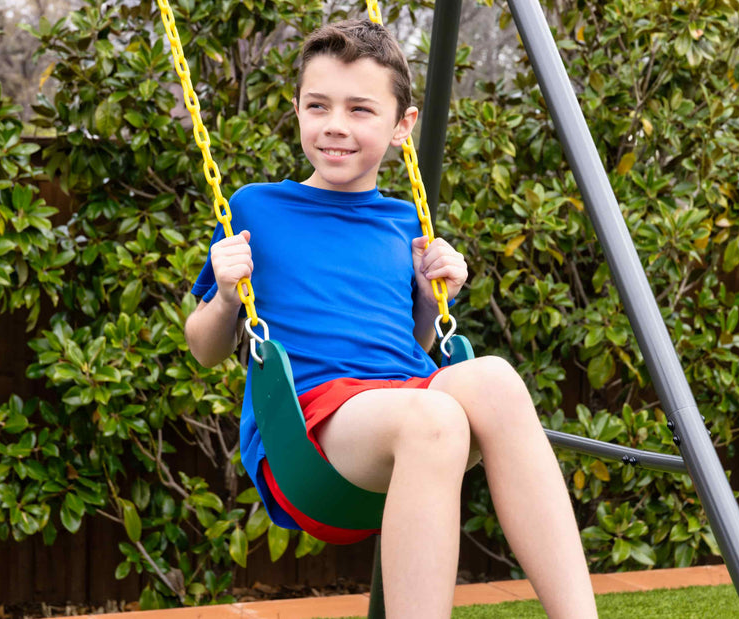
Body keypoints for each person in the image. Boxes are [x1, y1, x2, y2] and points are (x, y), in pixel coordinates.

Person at [184, 19, 597, 618]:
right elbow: (204, 348)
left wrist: (433, 297)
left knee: (497, 379)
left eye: (359, 110)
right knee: (433, 419)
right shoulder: (256, 208)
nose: (335, 126)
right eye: (318, 105)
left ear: (402, 127)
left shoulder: (406, 222)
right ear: (298, 109)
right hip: (310, 429)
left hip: (399, 398)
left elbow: (414, 343)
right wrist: (224, 295)